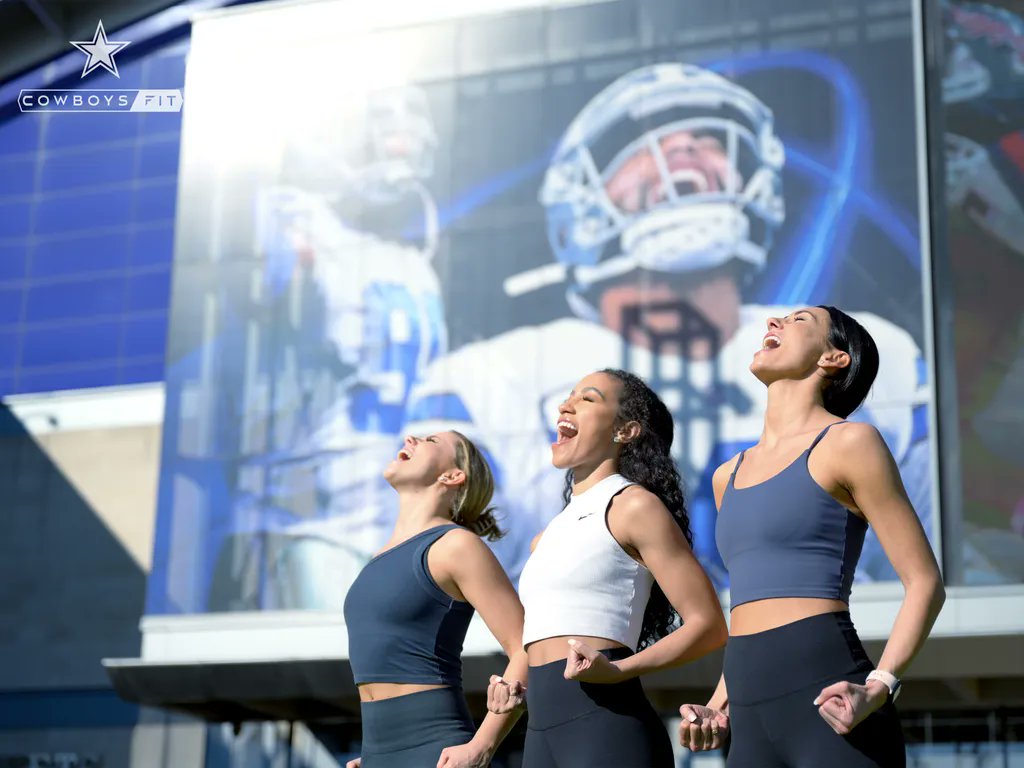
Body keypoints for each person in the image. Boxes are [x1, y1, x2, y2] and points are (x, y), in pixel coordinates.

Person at [404, 63, 929, 590]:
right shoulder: (495, 374)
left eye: (705, 139)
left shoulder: (862, 358)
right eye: (637, 146)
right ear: (578, 203)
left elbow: (913, 561)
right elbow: (464, 555)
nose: (682, 149)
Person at [677, 306, 945, 767]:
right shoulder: (727, 476)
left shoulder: (850, 443)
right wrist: (718, 704)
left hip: (832, 700)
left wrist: (880, 686)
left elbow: (925, 583)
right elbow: (747, 608)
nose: (771, 324)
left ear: (834, 359)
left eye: (798, 320)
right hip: (748, 711)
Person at [489, 369, 727, 767]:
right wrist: (511, 687)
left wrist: (619, 671)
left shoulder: (634, 506)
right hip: (540, 736)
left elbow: (709, 626)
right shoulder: (544, 537)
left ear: (626, 431)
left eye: (588, 398)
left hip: (607, 729)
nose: (566, 405)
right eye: (569, 395)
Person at [343, 430, 527, 768]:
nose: (411, 437)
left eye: (429, 440)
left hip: (436, 751)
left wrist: (482, 746)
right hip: (375, 753)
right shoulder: (379, 558)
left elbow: (526, 646)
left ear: (452, 475)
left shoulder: (456, 546)